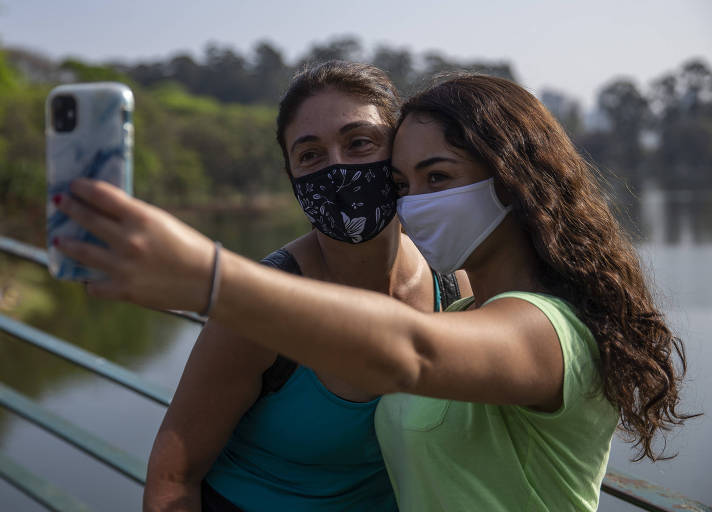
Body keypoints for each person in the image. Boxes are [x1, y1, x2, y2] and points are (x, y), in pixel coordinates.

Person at [55, 73, 692, 511]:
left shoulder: (545, 328)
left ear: (514, 181)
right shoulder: (475, 305)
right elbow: (174, 474)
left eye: (437, 175)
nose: (415, 200)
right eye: (405, 183)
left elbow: (408, 354)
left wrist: (209, 276)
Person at [139, 61, 468, 512]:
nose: (337, 168)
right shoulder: (259, 309)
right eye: (310, 154)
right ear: (291, 176)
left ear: (399, 153)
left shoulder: (450, 279)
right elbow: (172, 478)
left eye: (359, 143)